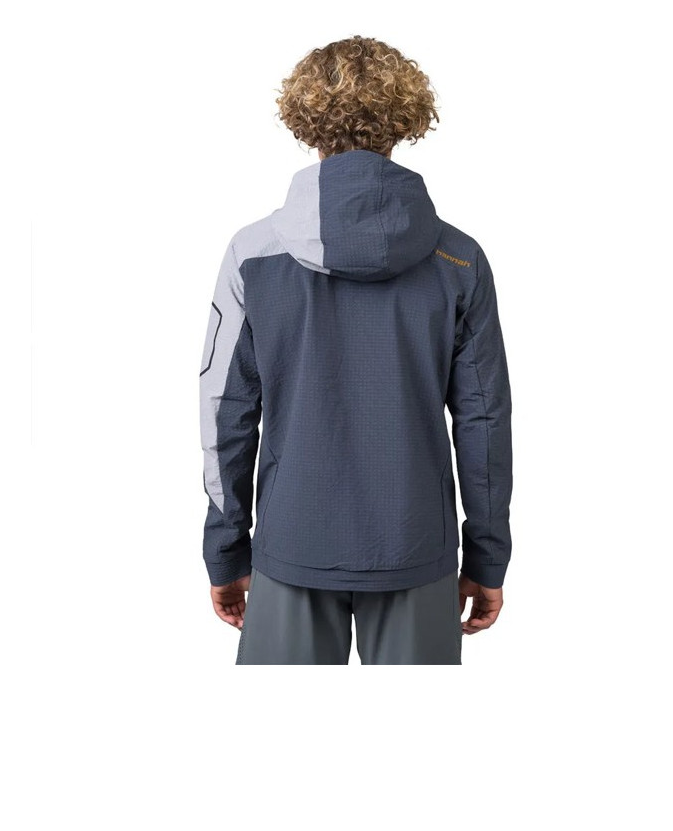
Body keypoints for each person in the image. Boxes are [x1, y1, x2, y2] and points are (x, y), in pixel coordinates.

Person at [198, 36, 513, 664]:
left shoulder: (253, 255)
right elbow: (483, 423)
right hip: (414, 545)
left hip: (294, 541)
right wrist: (486, 556)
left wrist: (225, 551)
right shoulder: (458, 259)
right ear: (404, 121)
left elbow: (224, 412)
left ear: (305, 120)